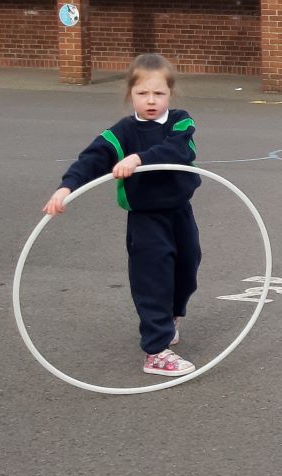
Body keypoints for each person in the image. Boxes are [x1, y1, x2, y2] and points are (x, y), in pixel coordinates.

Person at [44, 53, 202, 377]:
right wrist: (66, 188)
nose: (151, 101)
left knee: (187, 269)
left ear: (170, 94)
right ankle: (155, 351)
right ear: (130, 94)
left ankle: (170, 317)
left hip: (180, 212)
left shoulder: (181, 122)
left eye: (159, 93)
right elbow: (91, 159)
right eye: (142, 93)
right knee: (152, 279)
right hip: (146, 219)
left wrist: (139, 158)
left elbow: (179, 150)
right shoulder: (120, 133)